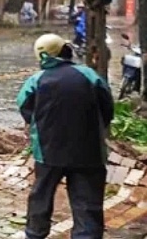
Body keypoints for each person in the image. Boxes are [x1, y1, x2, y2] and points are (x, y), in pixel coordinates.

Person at [17, 34, 113, 239]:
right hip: (89, 152)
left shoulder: (36, 80)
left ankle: (35, 234)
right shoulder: (89, 75)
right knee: (88, 204)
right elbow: (107, 108)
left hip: (48, 152)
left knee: (41, 197)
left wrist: (42, 128)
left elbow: (25, 108)